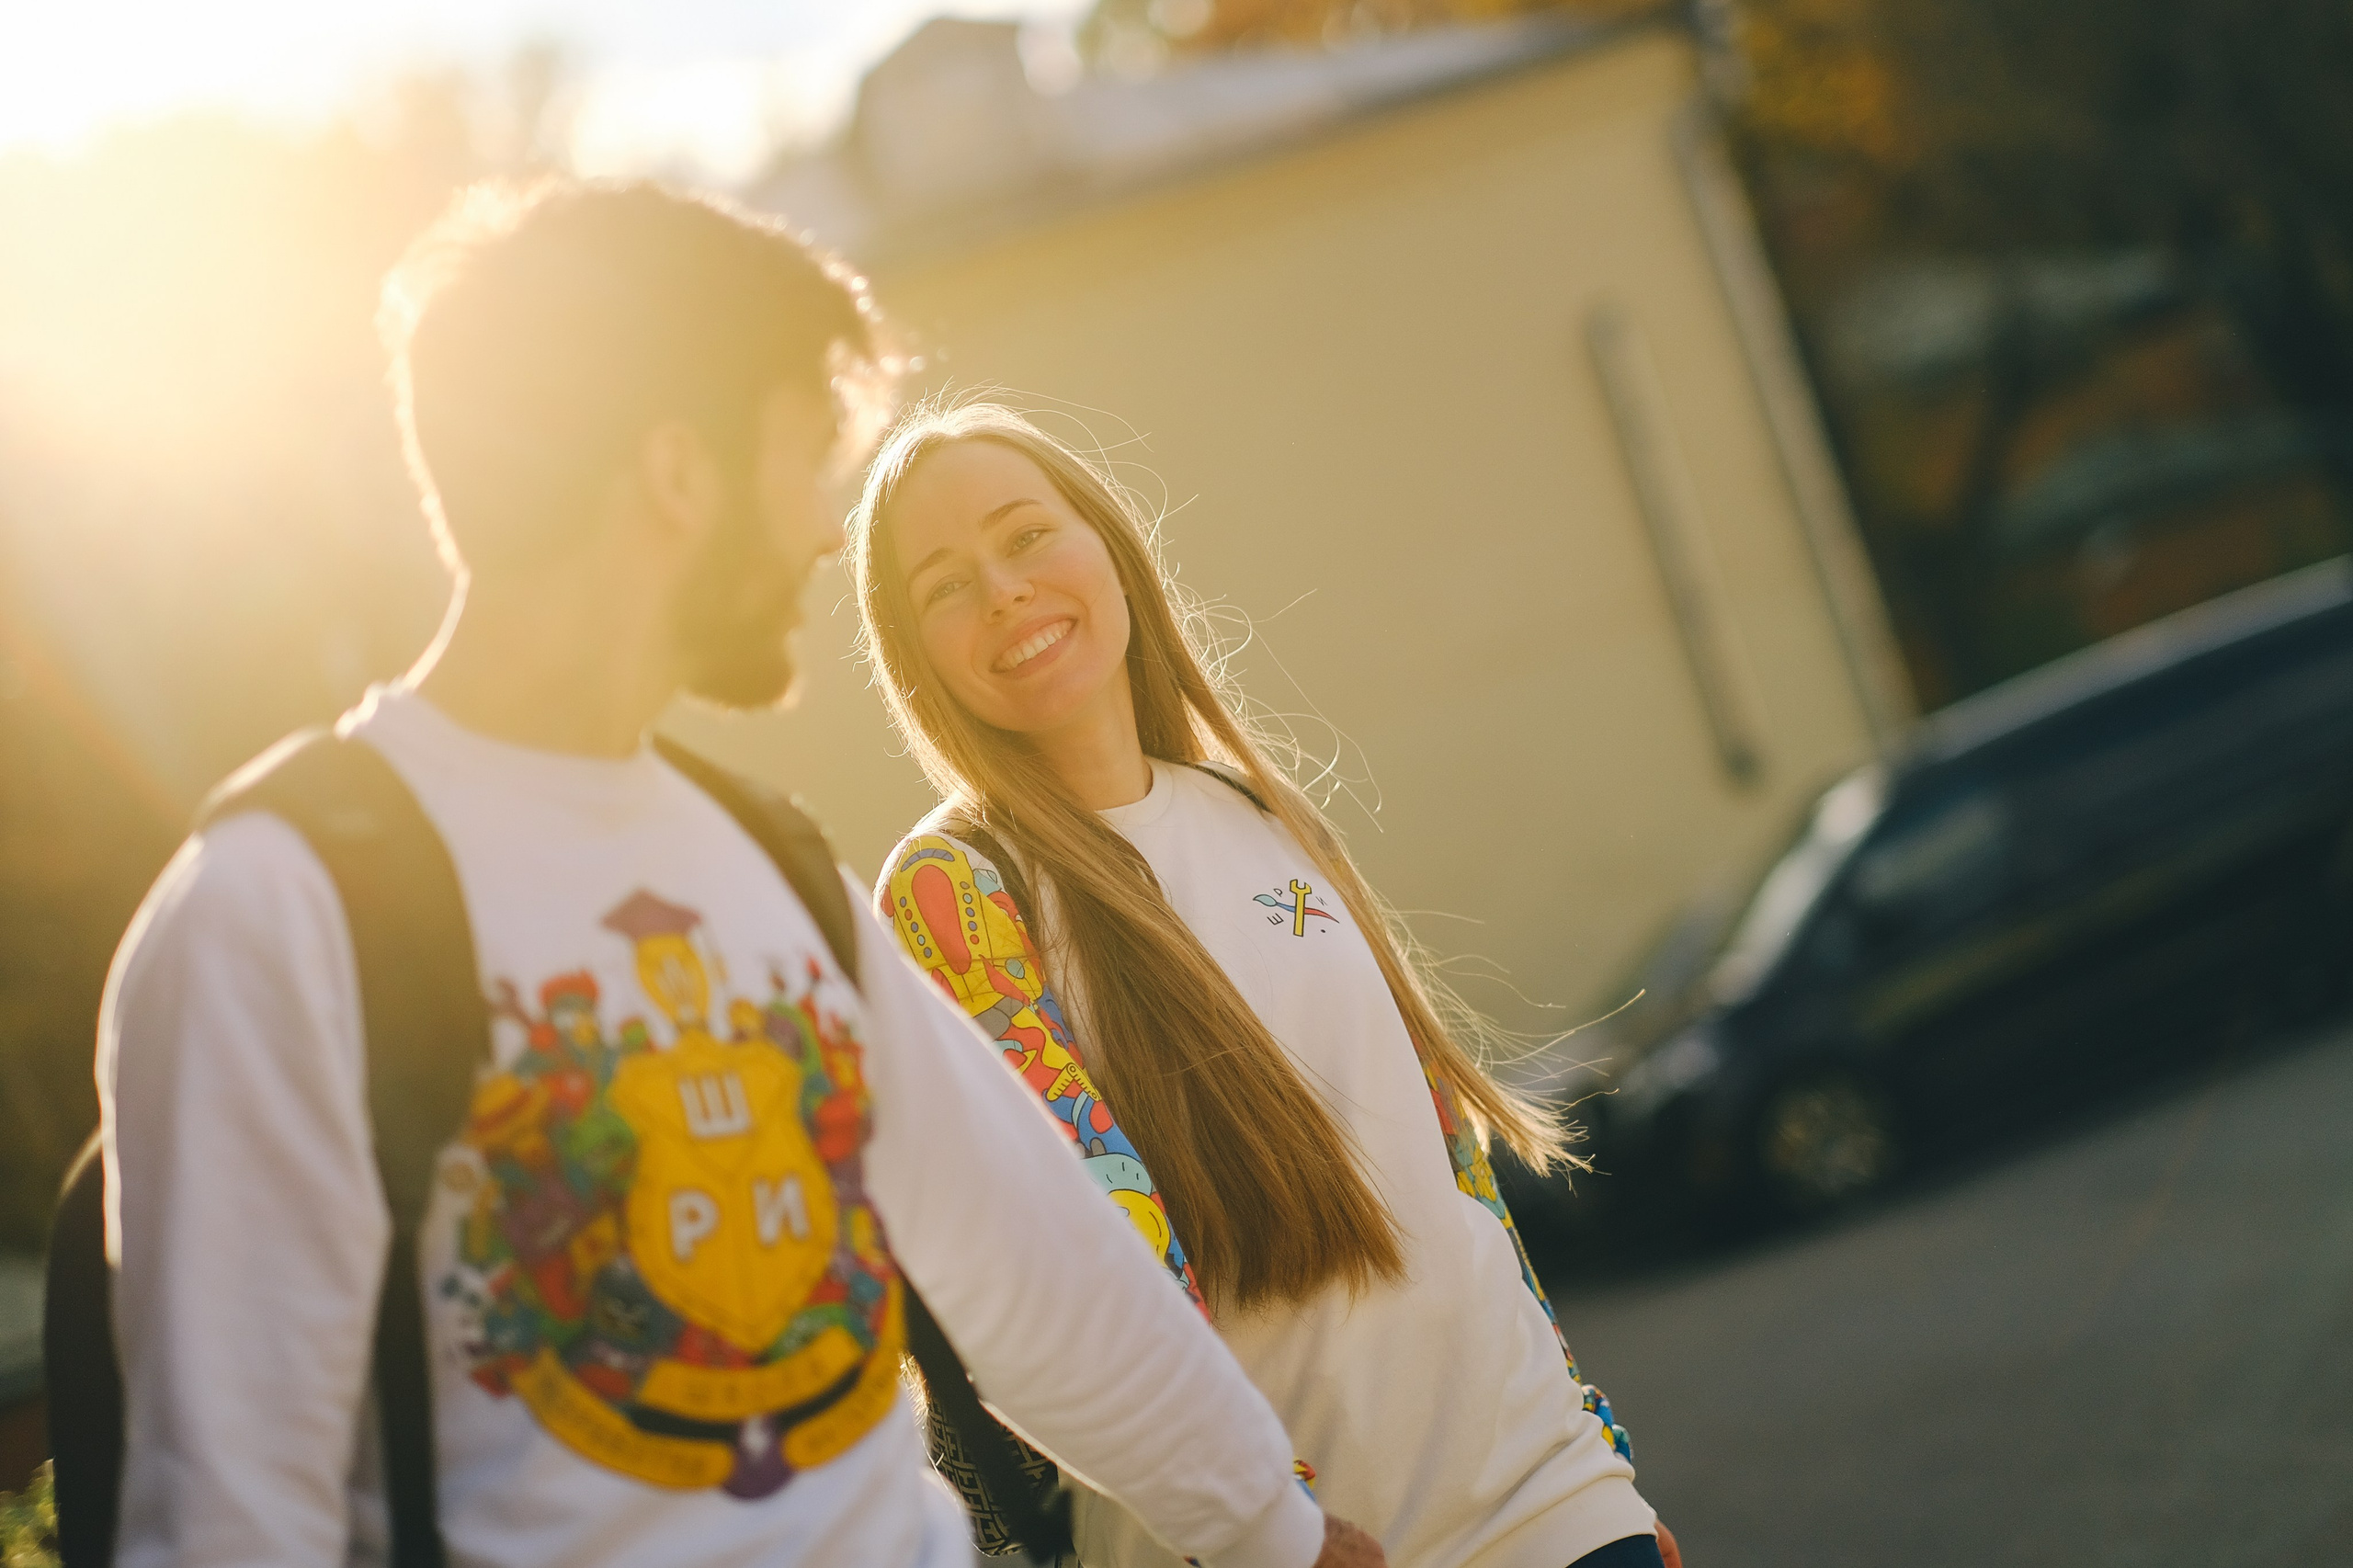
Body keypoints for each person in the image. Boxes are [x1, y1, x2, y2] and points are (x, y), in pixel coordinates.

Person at [96, 181, 1386, 1568]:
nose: (827, 533)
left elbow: (1049, 1279)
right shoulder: (274, 913)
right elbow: (231, 1520)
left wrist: (1283, 1536)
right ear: (679, 474)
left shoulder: (776, 867)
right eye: (803, 458)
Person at [848, 402, 1685, 1568]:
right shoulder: (955, 888)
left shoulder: (1259, 811)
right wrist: (1273, 1530)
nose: (1002, 591)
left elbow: (1448, 1167)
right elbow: (1076, 1273)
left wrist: (1595, 1458)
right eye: (945, 585)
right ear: (917, 656)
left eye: (1027, 535)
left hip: (1551, 1506)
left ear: (1106, 543)